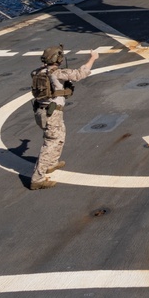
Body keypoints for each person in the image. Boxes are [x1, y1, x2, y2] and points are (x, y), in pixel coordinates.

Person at [29, 46, 99, 190]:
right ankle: (37, 178)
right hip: (52, 113)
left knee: (59, 135)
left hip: (42, 111)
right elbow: (80, 74)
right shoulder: (57, 73)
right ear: (58, 59)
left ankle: (51, 163)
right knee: (51, 143)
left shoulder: (38, 72)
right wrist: (93, 58)